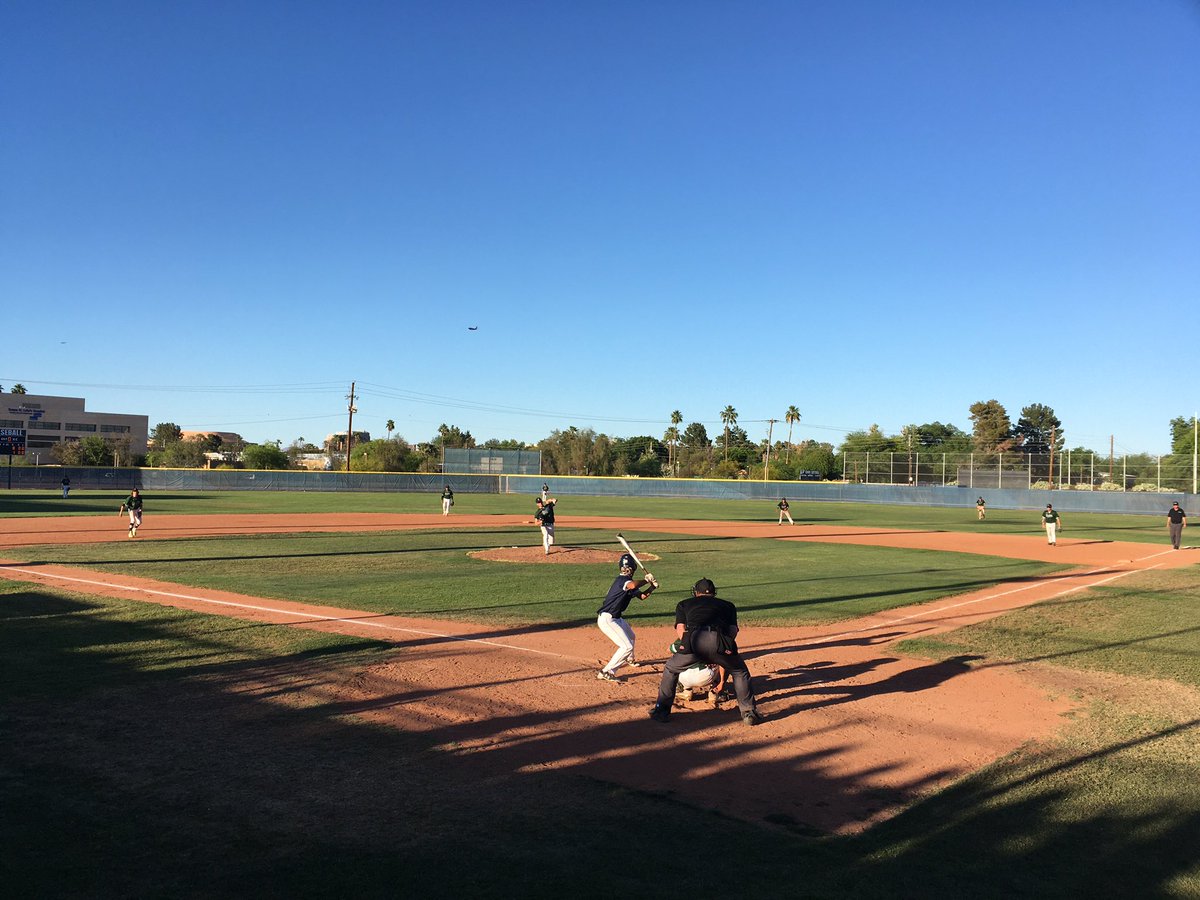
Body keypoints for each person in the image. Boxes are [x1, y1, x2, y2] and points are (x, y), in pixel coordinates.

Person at [648, 578, 763, 726]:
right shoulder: (728, 605)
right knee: (739, 671)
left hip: (694, 638)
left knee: (671, 668)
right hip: (719, 639)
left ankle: (661, 711)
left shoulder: (684, 604)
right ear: (714, 593)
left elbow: (681, 630)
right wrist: (723, 647)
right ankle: (748, 713)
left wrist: (689, 647)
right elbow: (733, 631)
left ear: (696, 592)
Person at [596, 553, 657, 681]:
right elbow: (632, 585)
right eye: (625, 568)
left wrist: (652, 587)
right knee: (626, 646)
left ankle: (629, 659)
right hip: (607, 619)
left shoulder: (628, 582)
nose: (626, 570)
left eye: (627, 568)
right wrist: (646, 580)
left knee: (631, 636)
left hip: (616, 618)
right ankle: (607, 672)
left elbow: (642, 596)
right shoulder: (622, 580)